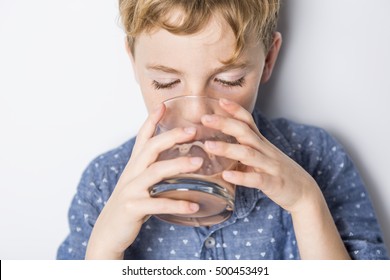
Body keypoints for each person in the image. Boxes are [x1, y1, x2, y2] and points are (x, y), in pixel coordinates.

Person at [57, 0, 388, 260]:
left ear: (268, 59)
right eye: (165, 82)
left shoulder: (317, 157)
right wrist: (104, 252)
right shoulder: (104, 183)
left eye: (229, 81)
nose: (196, 114)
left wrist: (305, 204)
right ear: (133, 63)